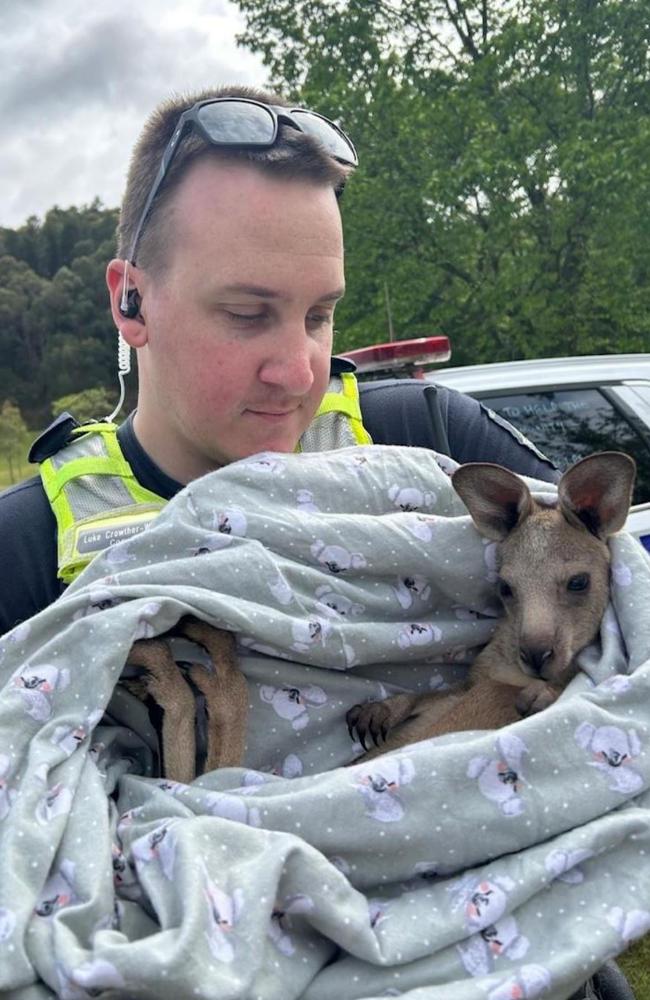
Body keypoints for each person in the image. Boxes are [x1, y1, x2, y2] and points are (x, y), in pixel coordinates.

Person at [0, 85, 635, 1000]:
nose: (298, 369)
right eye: (248, 313)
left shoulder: (431, 437)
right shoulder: (35, 542)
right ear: (131, 301)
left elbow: (609, 609)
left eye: (319, 314)